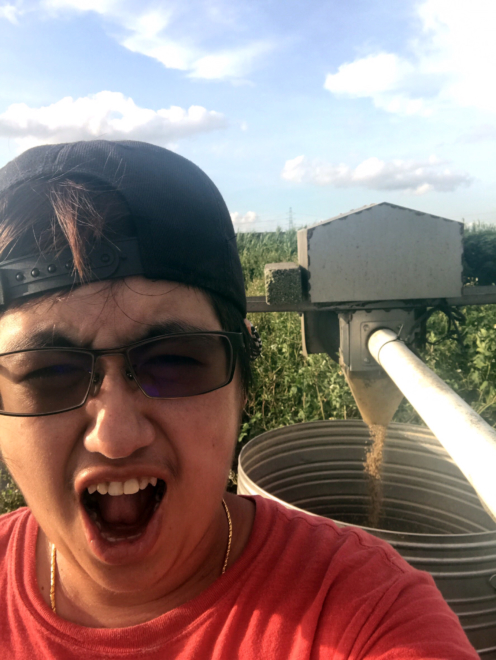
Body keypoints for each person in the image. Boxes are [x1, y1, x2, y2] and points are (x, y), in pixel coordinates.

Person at [0, 140, 478, 659]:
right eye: (49, 373)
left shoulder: (366, 612)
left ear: (243, 385)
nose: (116, 436)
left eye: (174, 362)